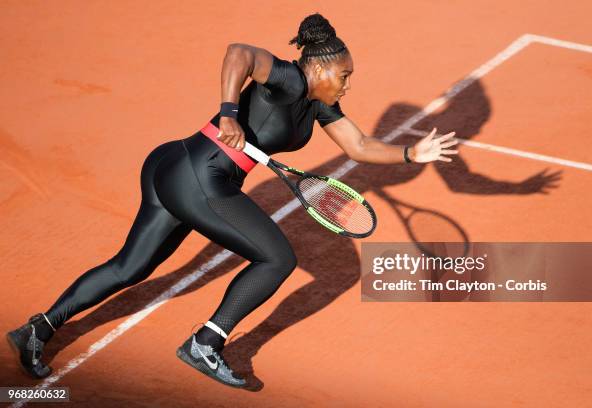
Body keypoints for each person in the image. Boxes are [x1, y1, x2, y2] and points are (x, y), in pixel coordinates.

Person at [7, 13, 458, 388]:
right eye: (344, 75)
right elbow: (239, 52)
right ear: (319, 69)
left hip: (177, 166)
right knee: (277, 258)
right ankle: (207, 342)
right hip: (200, 175)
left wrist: (409, 153)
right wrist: (228, 111)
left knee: (132, 266)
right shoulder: (287, 77)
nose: (347, 84)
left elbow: (358, 145)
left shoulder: (319, 105)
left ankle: (36, 329)